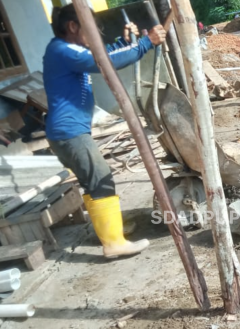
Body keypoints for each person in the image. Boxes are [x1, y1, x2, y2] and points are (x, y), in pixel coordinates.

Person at [43, 4, 166, 258]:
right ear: (73, 26)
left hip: (69, 132)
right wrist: (145, 43)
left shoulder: (69, 49)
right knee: (100, 178)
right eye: (91, 27)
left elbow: (104, 53)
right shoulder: (62, 50)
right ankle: (113, 243)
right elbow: (104, 62)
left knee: (93, 181)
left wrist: (125, 41)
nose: (97, 33)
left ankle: (112, 230)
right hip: (70, 133)